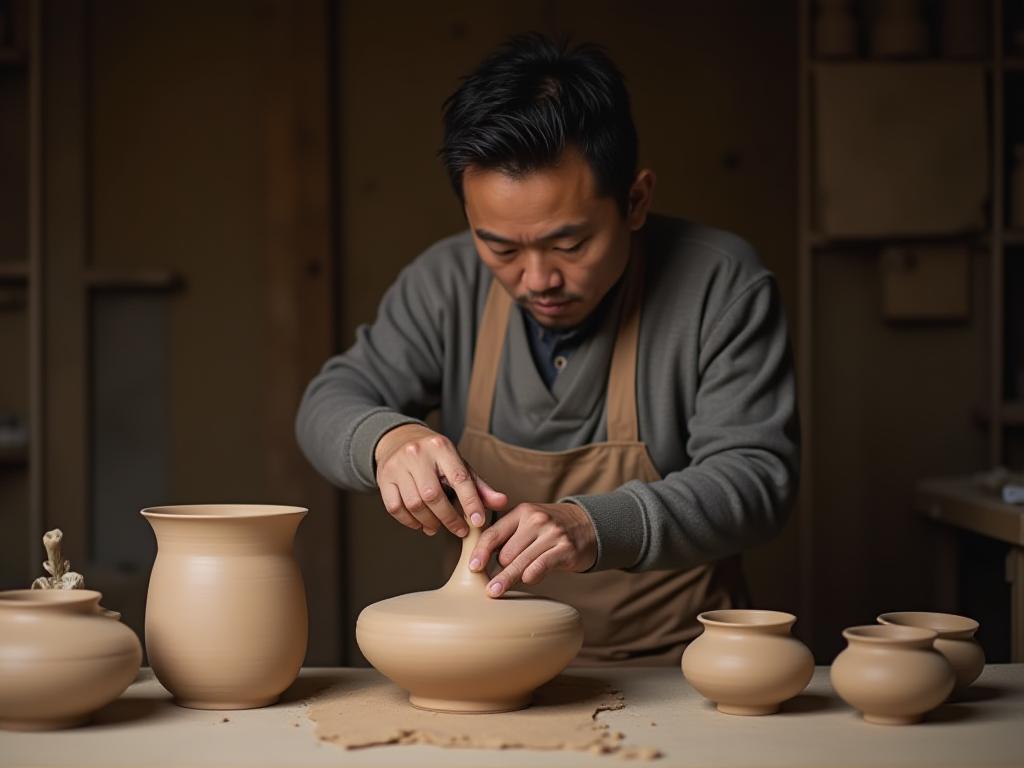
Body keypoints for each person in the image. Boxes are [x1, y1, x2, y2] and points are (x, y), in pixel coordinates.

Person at [296, 33, 799, 665]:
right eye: (501, 247)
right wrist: (386, 440)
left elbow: (756, 477)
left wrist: (594, 525)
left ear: (635, 201)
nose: (537, 279)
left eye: (569, 245)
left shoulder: (720, 284)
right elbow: (328, 401)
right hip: (491, 661)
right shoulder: (445, 283)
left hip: (676, 665)